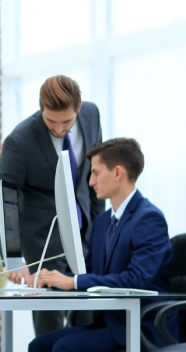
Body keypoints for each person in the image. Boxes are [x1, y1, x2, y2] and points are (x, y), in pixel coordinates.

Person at [28, 138, 173, 352]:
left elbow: (136, 280)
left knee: (64, 348)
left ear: (117, 172)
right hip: (107, 323)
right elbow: (87, 270)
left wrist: (73, 282)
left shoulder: (149, 219)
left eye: (95, 173)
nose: (90, 182)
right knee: (39, 345)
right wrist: (49, 279)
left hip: (138, 327)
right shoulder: (103, 221)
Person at [0, 75, 105, 335]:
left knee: (88, 321)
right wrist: (14, 256)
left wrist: (100, 235)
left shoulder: (91, 116)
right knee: (49, 326)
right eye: (51, 121)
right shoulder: (20, 140)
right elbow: (4, 199)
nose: (59, 129)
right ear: (41, 108)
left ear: (79, 108)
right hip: (43, 245)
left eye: (67, 121)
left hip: (84, 234)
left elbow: (95, 178)